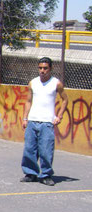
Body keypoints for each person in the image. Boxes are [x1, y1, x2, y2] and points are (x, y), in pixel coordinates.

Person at [20, 57, 68, 186]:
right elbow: (28, 101)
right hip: (32, 121)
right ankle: (30, 173)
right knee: (29, 149)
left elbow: (65, 100)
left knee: (46, 150)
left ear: (50, 69)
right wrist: (25, 118)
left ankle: (46, 175)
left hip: (47, 122)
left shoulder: (56, 83)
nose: (42, 71)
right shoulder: (33, 83)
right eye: (40, 68)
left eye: (45, 68)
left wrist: (59, 116)